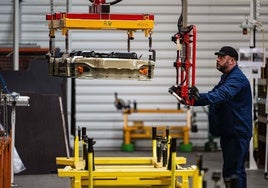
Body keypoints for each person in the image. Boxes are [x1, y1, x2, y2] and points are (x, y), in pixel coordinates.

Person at [193, 46, 252, 188]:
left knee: (231, 173)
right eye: (218, 57)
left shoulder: (237, 79)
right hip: (231, 131)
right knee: (237, 171)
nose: (217, 60)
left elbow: (221, 95)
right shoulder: (227, 77)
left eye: (221, 57)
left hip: (237, 133)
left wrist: (193, 99)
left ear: (232, 61)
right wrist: (192, 98)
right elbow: (213, 93)